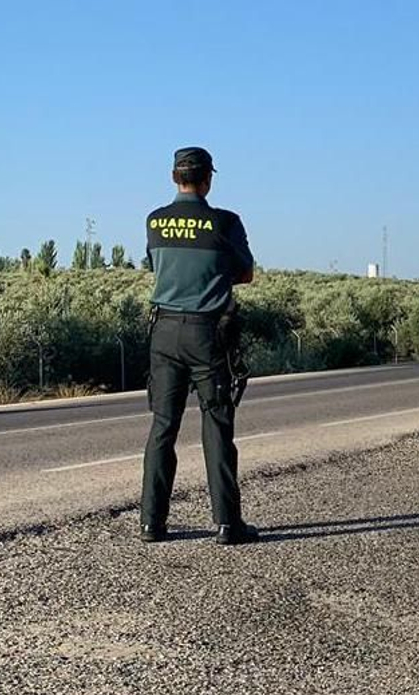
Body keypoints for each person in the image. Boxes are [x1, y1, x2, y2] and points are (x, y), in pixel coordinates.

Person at [140, 146, 258, 545]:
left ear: (175, 177)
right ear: (208, 179)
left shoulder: (155, 222)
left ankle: (151, 523)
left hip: (164, 333)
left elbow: (155, 266)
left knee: (163, 427)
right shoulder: (224, 222)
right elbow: (246, 273)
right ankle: (227, 523)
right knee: (217, 425)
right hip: (208, 334)